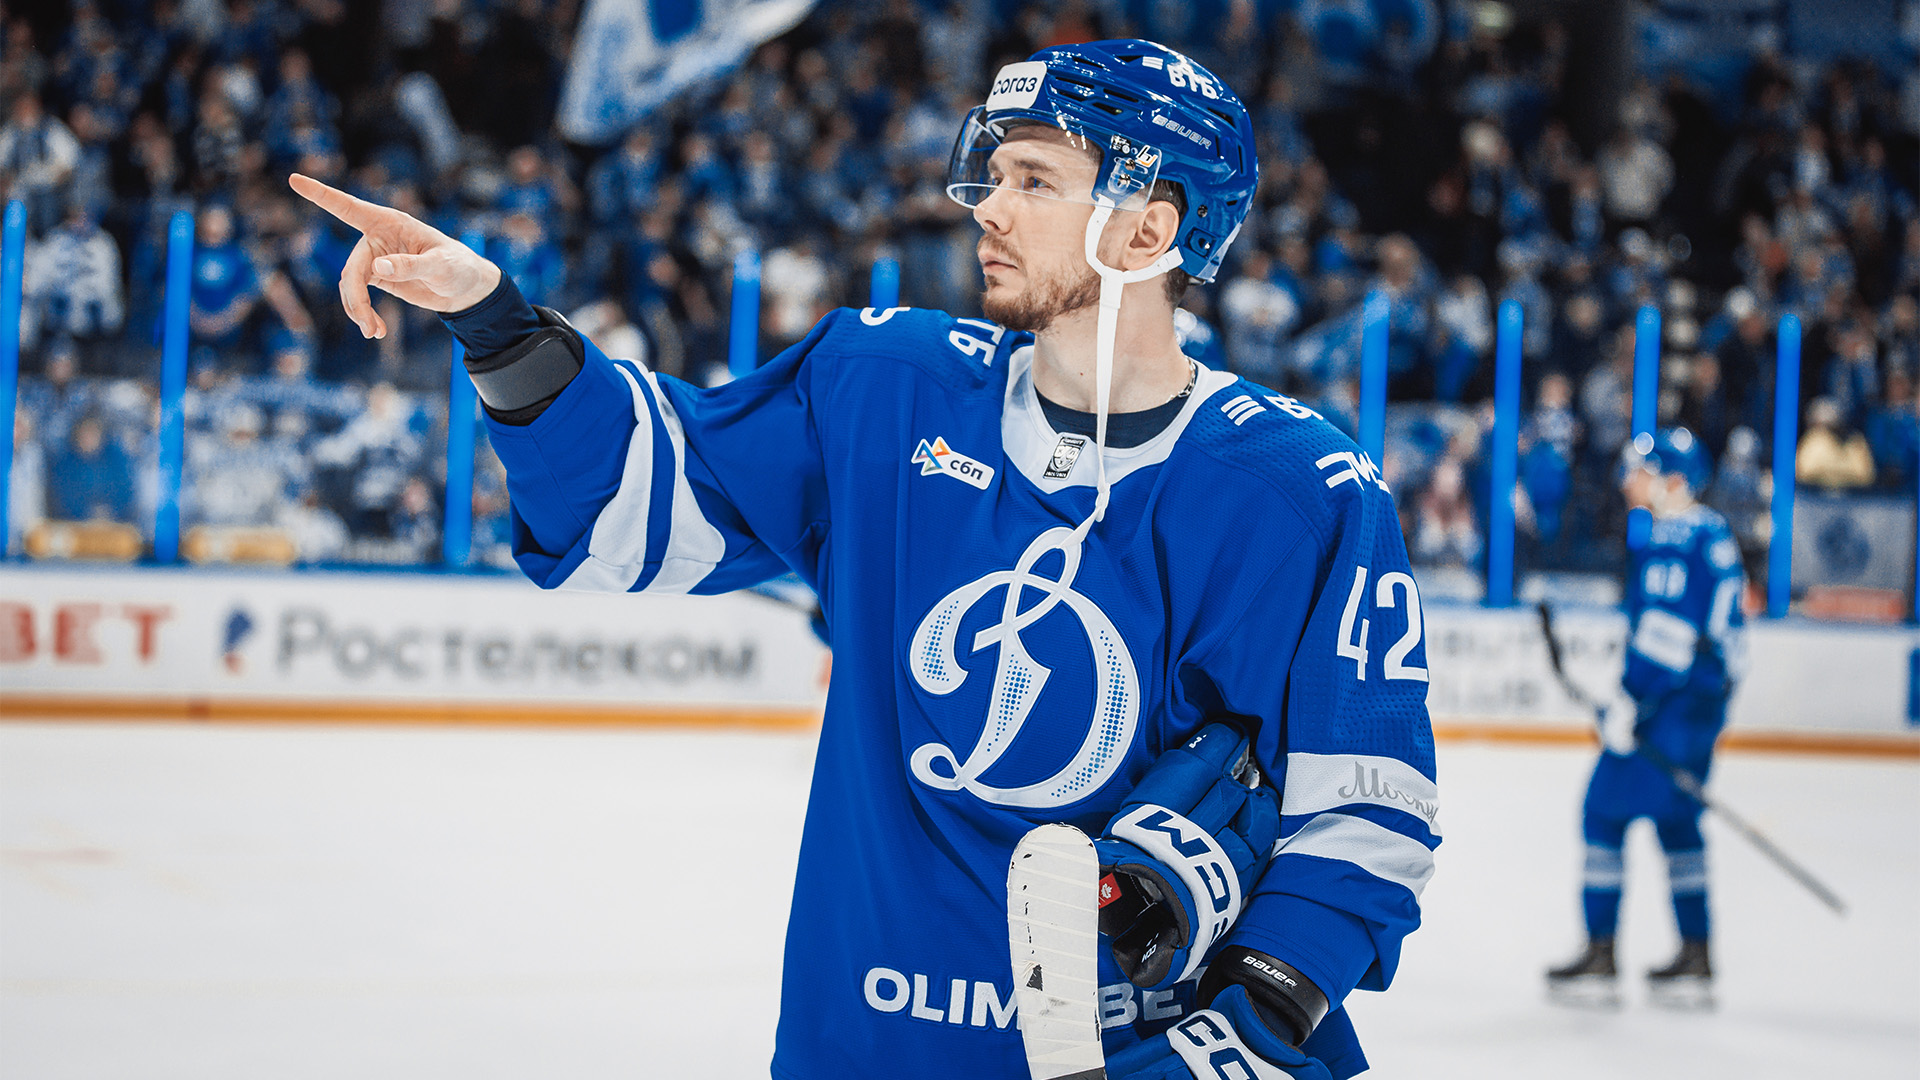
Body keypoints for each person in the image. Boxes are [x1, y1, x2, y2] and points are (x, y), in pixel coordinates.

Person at [293, 40, 1436, 1080]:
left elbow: (1364, 816)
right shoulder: (886, 387)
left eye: (1037, 182)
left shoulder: (1298, 494)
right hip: (858, 1048)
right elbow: (635, 507)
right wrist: (495, 319)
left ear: (1150, 230)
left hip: (1130, 1055)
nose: (988, 208)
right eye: (994, 173)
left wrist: (1236, 1039)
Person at [1546, 427, 1746, 1011]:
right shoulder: (1713, 531)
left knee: (1603, 811)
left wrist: (1632, 701)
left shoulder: (1674, 537)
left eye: (1642, 471)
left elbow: (1668, 634)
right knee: (1678, 823)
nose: (1628, 481)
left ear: (1674, 480)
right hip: (1700, 707)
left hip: (1671, 708)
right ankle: (1697, 953)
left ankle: (1601, 953)